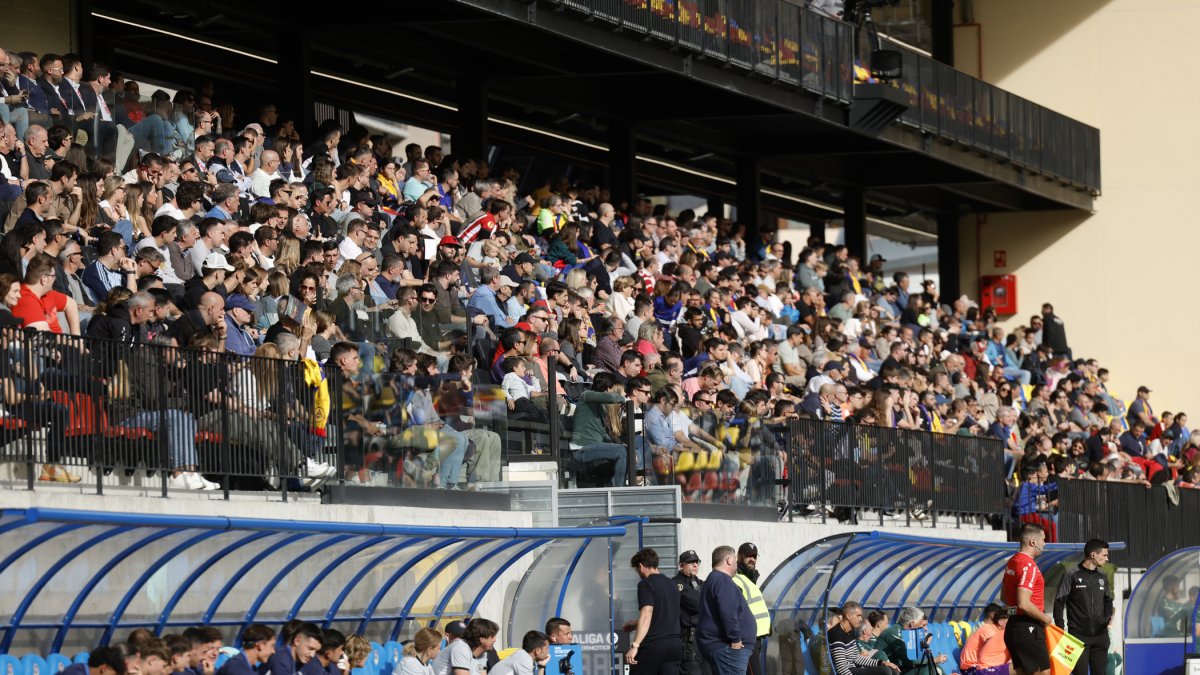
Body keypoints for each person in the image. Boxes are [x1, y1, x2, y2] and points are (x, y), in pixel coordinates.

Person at [1053, 539, 1113, 675]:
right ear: (1093, 555)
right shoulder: (1071, 574)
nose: (1107, 559)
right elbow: (1059, 602)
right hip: (1078, 638)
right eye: (1104, 555)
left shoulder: (1103, 576)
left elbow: (1108, 600)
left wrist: (1106, 618)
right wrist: (1060, 630)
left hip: (1101, 636)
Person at [1002, 523, 1053, 675]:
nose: (1045, 543)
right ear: (1033, 542)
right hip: (1028, 628)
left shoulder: (1012, 561)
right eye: (1043, 539)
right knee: (1043, 672)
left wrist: (1015, 612)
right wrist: (1045, 618)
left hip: (1013, 627)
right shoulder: (1028, 565)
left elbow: (1004, 598)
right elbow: (1023, 603)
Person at [696, 545, 754, 675]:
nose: (736, 562)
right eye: (734, 559)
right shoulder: (723, 580)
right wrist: (735, 639)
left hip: (723, 648)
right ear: (728, 560)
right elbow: (727, 613)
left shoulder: (714, 579)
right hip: (728, 649)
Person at [625, 548, 683, 675]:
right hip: (674, 645)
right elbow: (663, 614)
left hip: (654, 646)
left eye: (636, 569)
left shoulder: (646, 584)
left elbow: (647, 614)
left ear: (641, 566)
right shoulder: (672, 584)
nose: (637, 573)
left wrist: (635, 645)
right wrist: (635, 624)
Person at [826, 602, 899, 675]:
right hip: (847, 672)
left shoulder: (850, 632)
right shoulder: (836, 634)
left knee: (892, 670)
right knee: (885, 671)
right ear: (849, 616)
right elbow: (841, 668)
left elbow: (856, 658)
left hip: (854, 669)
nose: (861, 619)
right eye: (858, 616)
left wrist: (881, 663)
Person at [873, 606, 949, 674]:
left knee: (933, 665)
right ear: (912, 624)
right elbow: (912, 660)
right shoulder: (894, 633)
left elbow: (917, 657)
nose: (923, 628)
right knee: (928, 667)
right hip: (889, 671)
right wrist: (934, 660)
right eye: (921, 625)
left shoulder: (907, 633)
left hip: (899, 669)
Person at [733, 543, 771, 675]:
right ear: (739, 557)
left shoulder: (750, 578)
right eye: (748, 556)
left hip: (757, 637)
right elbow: (733, 612)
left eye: (754, 556)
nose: (752, 559)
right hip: (746, 638)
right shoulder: (736, 578)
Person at [674, 550, 708, 675]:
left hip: (705, 638)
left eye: (697, 562)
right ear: (681, 565)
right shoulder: (677, 583)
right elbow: (697, 603)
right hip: (689, 641)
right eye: (690, 562)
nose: (695, 565)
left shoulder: (699, 582)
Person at [959, 603, 1010, 674]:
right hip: (970, 667)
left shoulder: (992, 629)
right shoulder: (988, 629)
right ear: (1001, 622)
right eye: (1009, 621)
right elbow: (991, 650)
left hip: (973, 665)